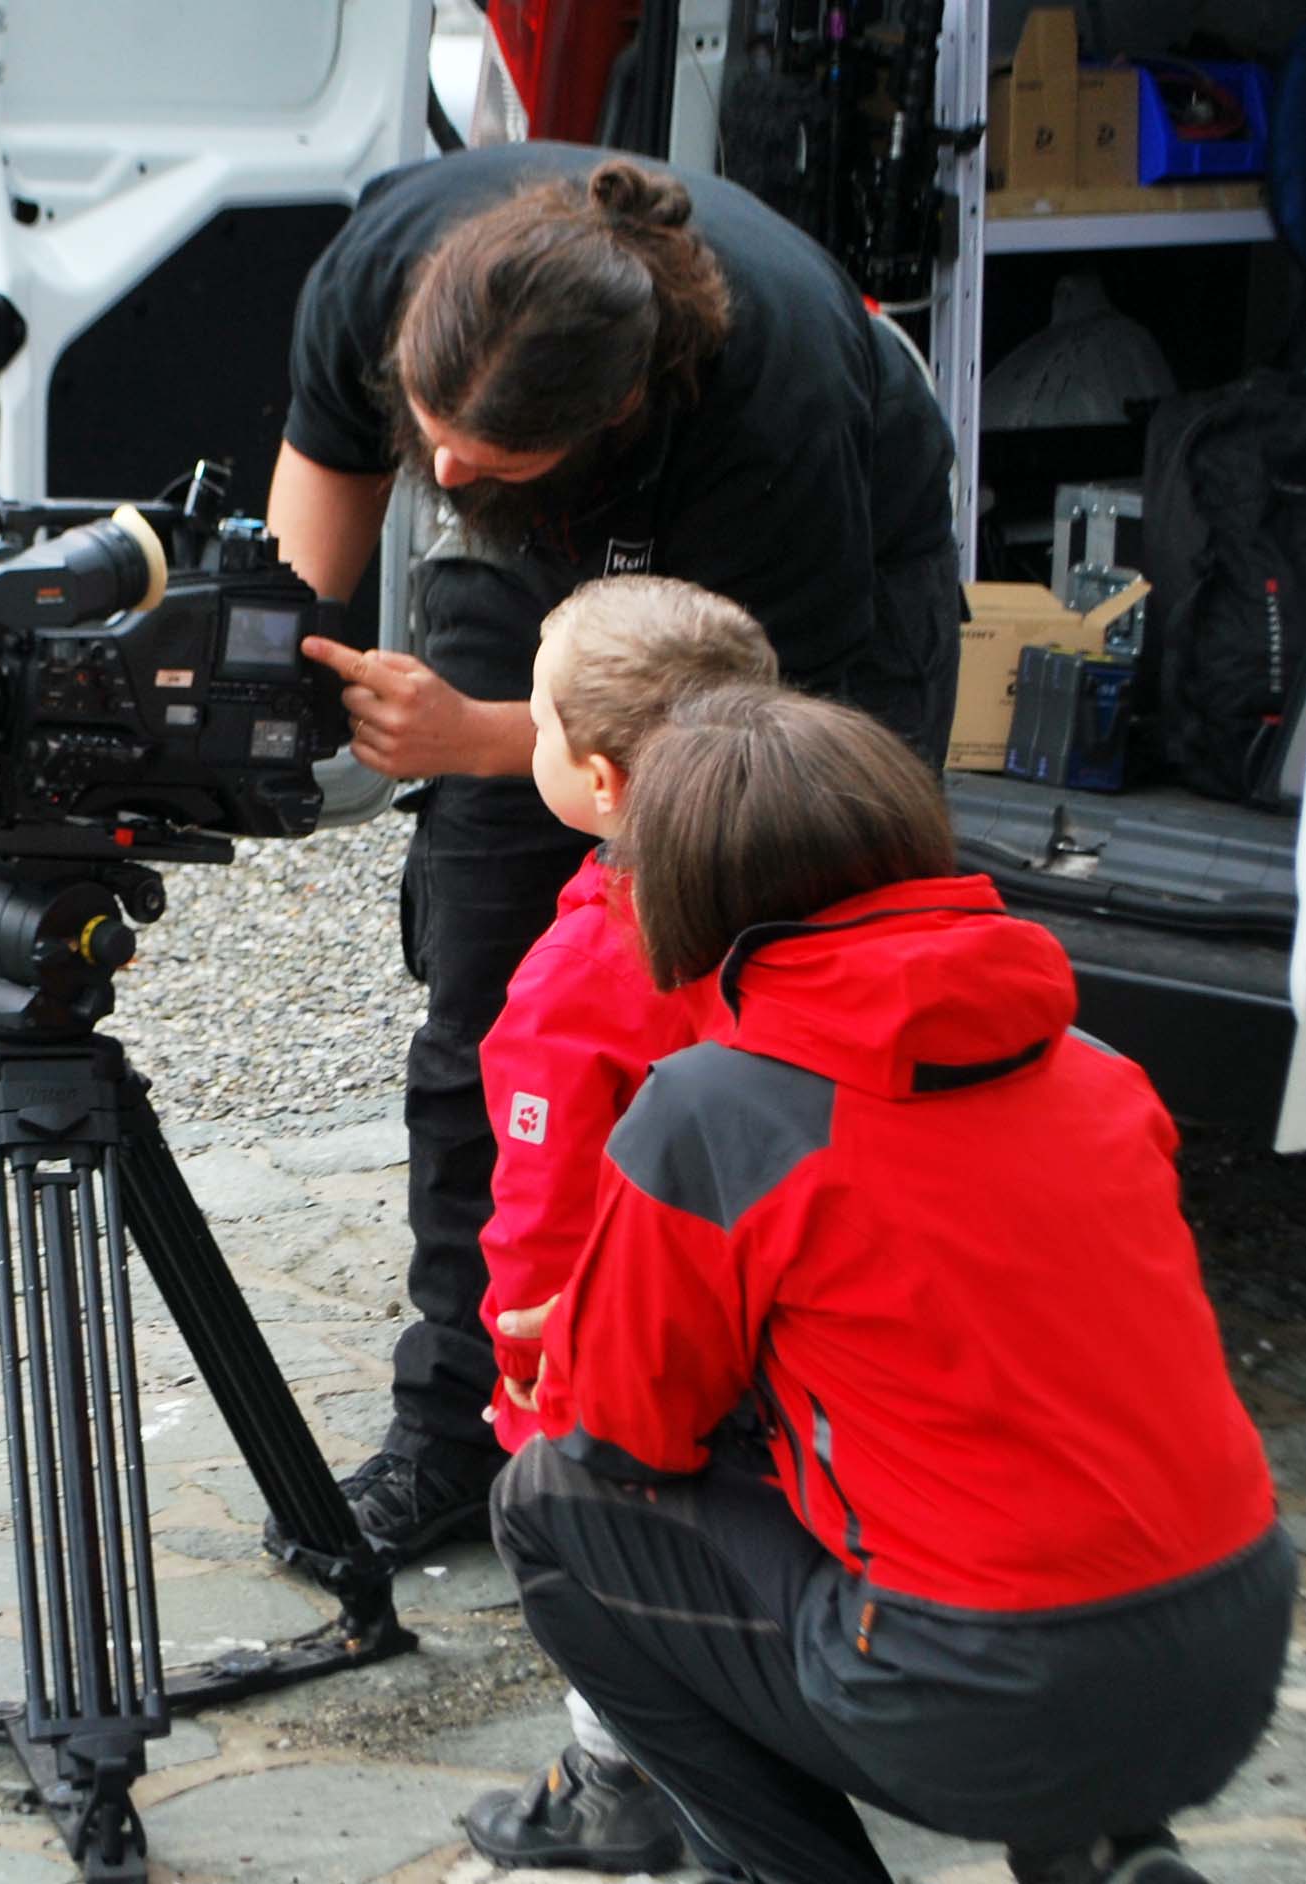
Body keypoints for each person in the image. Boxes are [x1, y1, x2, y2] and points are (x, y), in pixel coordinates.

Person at [273, 142, 962, 1565]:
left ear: (616, 410)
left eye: (485, 457)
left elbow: (739, 750)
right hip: (542, 564)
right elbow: (323, 508)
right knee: (488, 1001)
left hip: (790, 626)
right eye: (430, 424)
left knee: (746, 1005)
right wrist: (268, 681)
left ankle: (754, 1419)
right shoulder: (392, 270)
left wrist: (475, 736)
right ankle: (456, 1431)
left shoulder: (769, 416)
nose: (444, 467)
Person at [494, 685, 1291, 1884]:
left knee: (545, 1502)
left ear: (677, 894)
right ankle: (1104, 1852)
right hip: (1233, 1650)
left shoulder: (715, 1109)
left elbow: (624, 1432)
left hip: (970, 1691)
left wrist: (577, 1332)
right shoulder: (1101, 1067)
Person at [452, 575, 775, 1875]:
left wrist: (524, 1375)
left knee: (594, 1566)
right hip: (784, 1333)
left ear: (593, 779)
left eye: (533, 722)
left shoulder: (584, 971)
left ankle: (613, 1781)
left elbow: (541, 1213)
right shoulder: (801, 900)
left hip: (625, 1352)